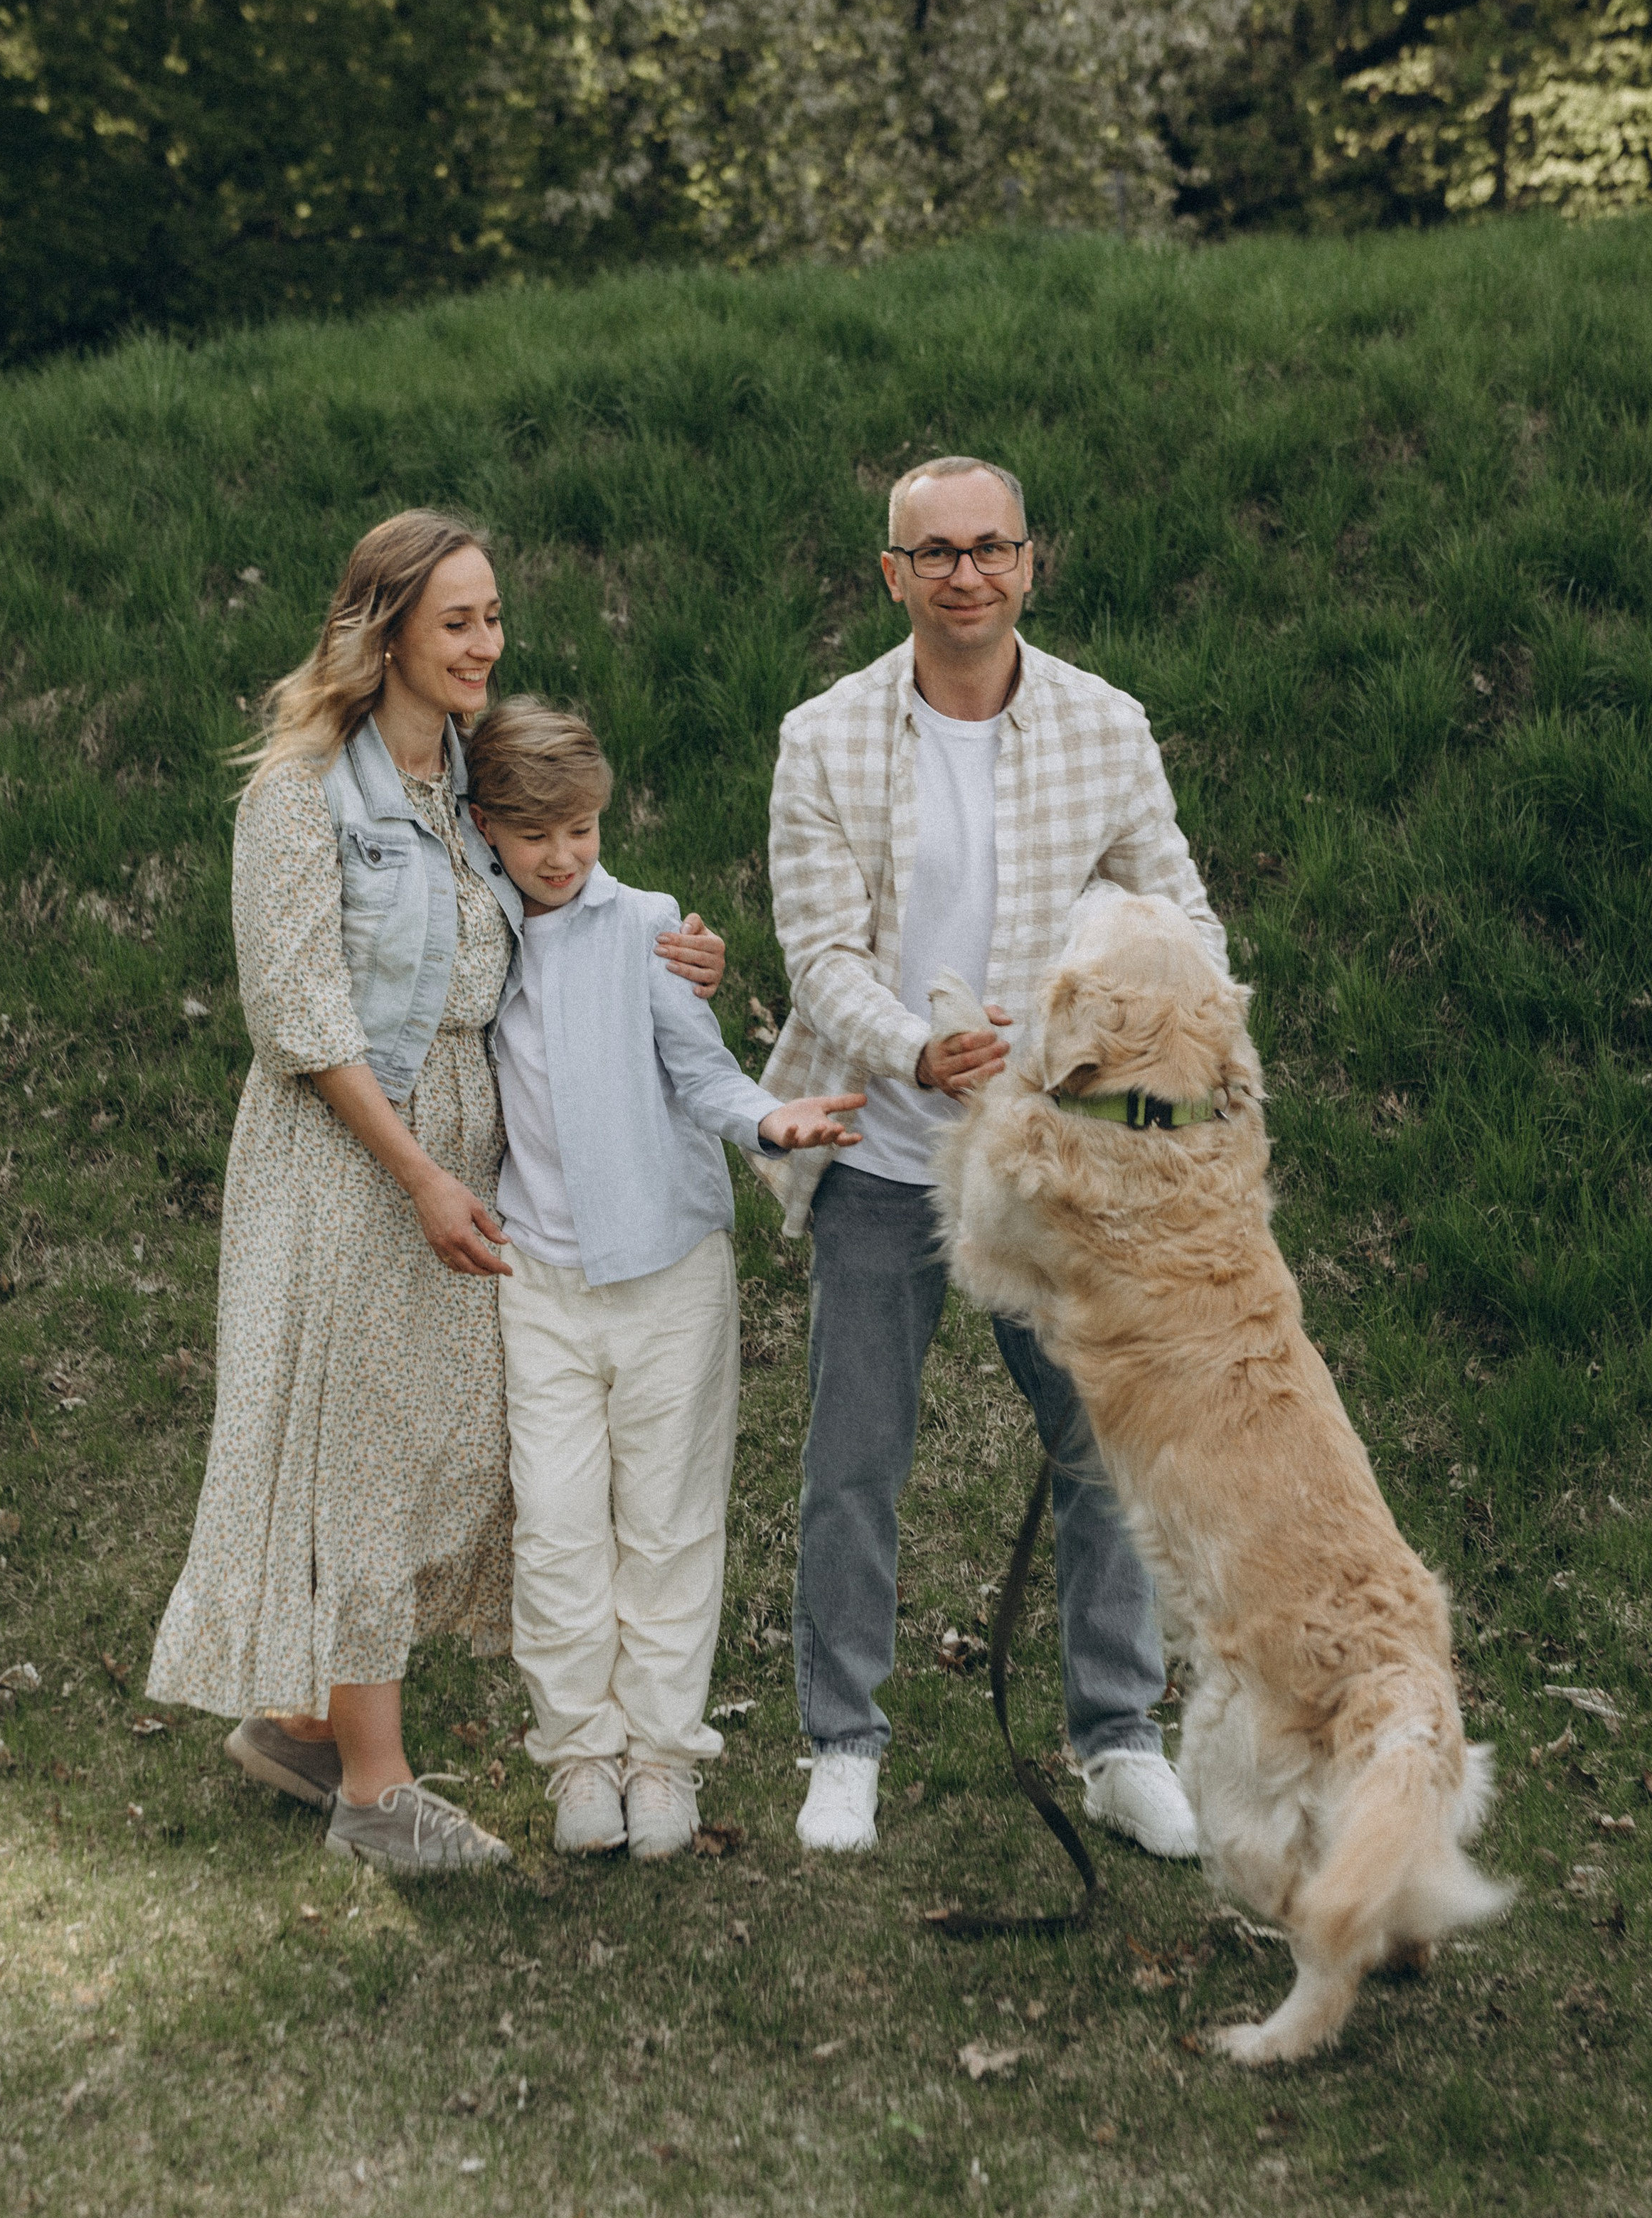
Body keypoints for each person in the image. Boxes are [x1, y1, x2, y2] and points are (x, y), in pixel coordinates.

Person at [145, 511, 725, 1875]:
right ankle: (375, 1794)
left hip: (468, 1148)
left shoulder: (471, 779)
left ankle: (300, 1722)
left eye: (495, 617)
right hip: (353, 1154)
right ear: (387, 625)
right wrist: (413, 1174)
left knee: (440, 1456)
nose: (485, 644)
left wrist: (671, 945)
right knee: (356, 1458)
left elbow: (572, 873)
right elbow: (297, 1012)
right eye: (457, 621)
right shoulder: (304, 789)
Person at [759, 455, 1230, 1857]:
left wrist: (1093, 1022)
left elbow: (1188, 926)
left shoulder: (1103, 722)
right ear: (891, 574)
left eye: (990, 547)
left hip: (1053, 1157)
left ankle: (1117, 1737)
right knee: (852, 1464)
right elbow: (819, 953)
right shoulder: (824, 735)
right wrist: (912, 1046)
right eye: (935, 552)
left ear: (1029, 561)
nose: (965, 572)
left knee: (1102, 1454)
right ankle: (841, 1743)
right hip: (883, 1146)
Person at [464, 698, 864, 1862]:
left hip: (669, 1277)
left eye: (582, 829)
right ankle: (578, 1758)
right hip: (537, 1281)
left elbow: (705, 1076)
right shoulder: (474, 937)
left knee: (669, 1525)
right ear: (487, 827)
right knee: (554, 1528)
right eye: (537, 835)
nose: (564, 855)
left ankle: (661, 1759)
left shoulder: (644, 927)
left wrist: (769, 1124)